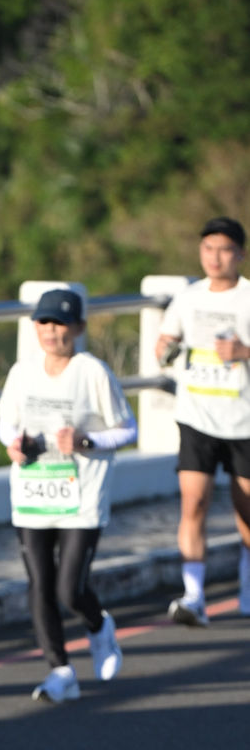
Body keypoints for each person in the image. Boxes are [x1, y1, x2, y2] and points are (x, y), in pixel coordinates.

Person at [0, 288, 138, 703]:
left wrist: (85, 441)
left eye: (60, 323)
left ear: (78, 328)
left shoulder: (92, 372)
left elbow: (128, 429)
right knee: (39, 584)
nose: (51, 330)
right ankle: (60, 671)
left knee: (69, 590)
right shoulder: (22, 372)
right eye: (43, 322)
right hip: (33, 490)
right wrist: (13, 443)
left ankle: (98, 626)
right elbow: (6, 423)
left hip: (82, 495)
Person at [155, 215, 250, 625]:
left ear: (240, 255)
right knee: (193, 503)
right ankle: (193, 596)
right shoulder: (188, 298)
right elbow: (166, 341)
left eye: (225, 250)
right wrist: (164, 347)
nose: (215, 257)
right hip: (196, 416)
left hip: (244, 421)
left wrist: (244, 353)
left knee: (246, 512)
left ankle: (247, 589)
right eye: (208, 248)